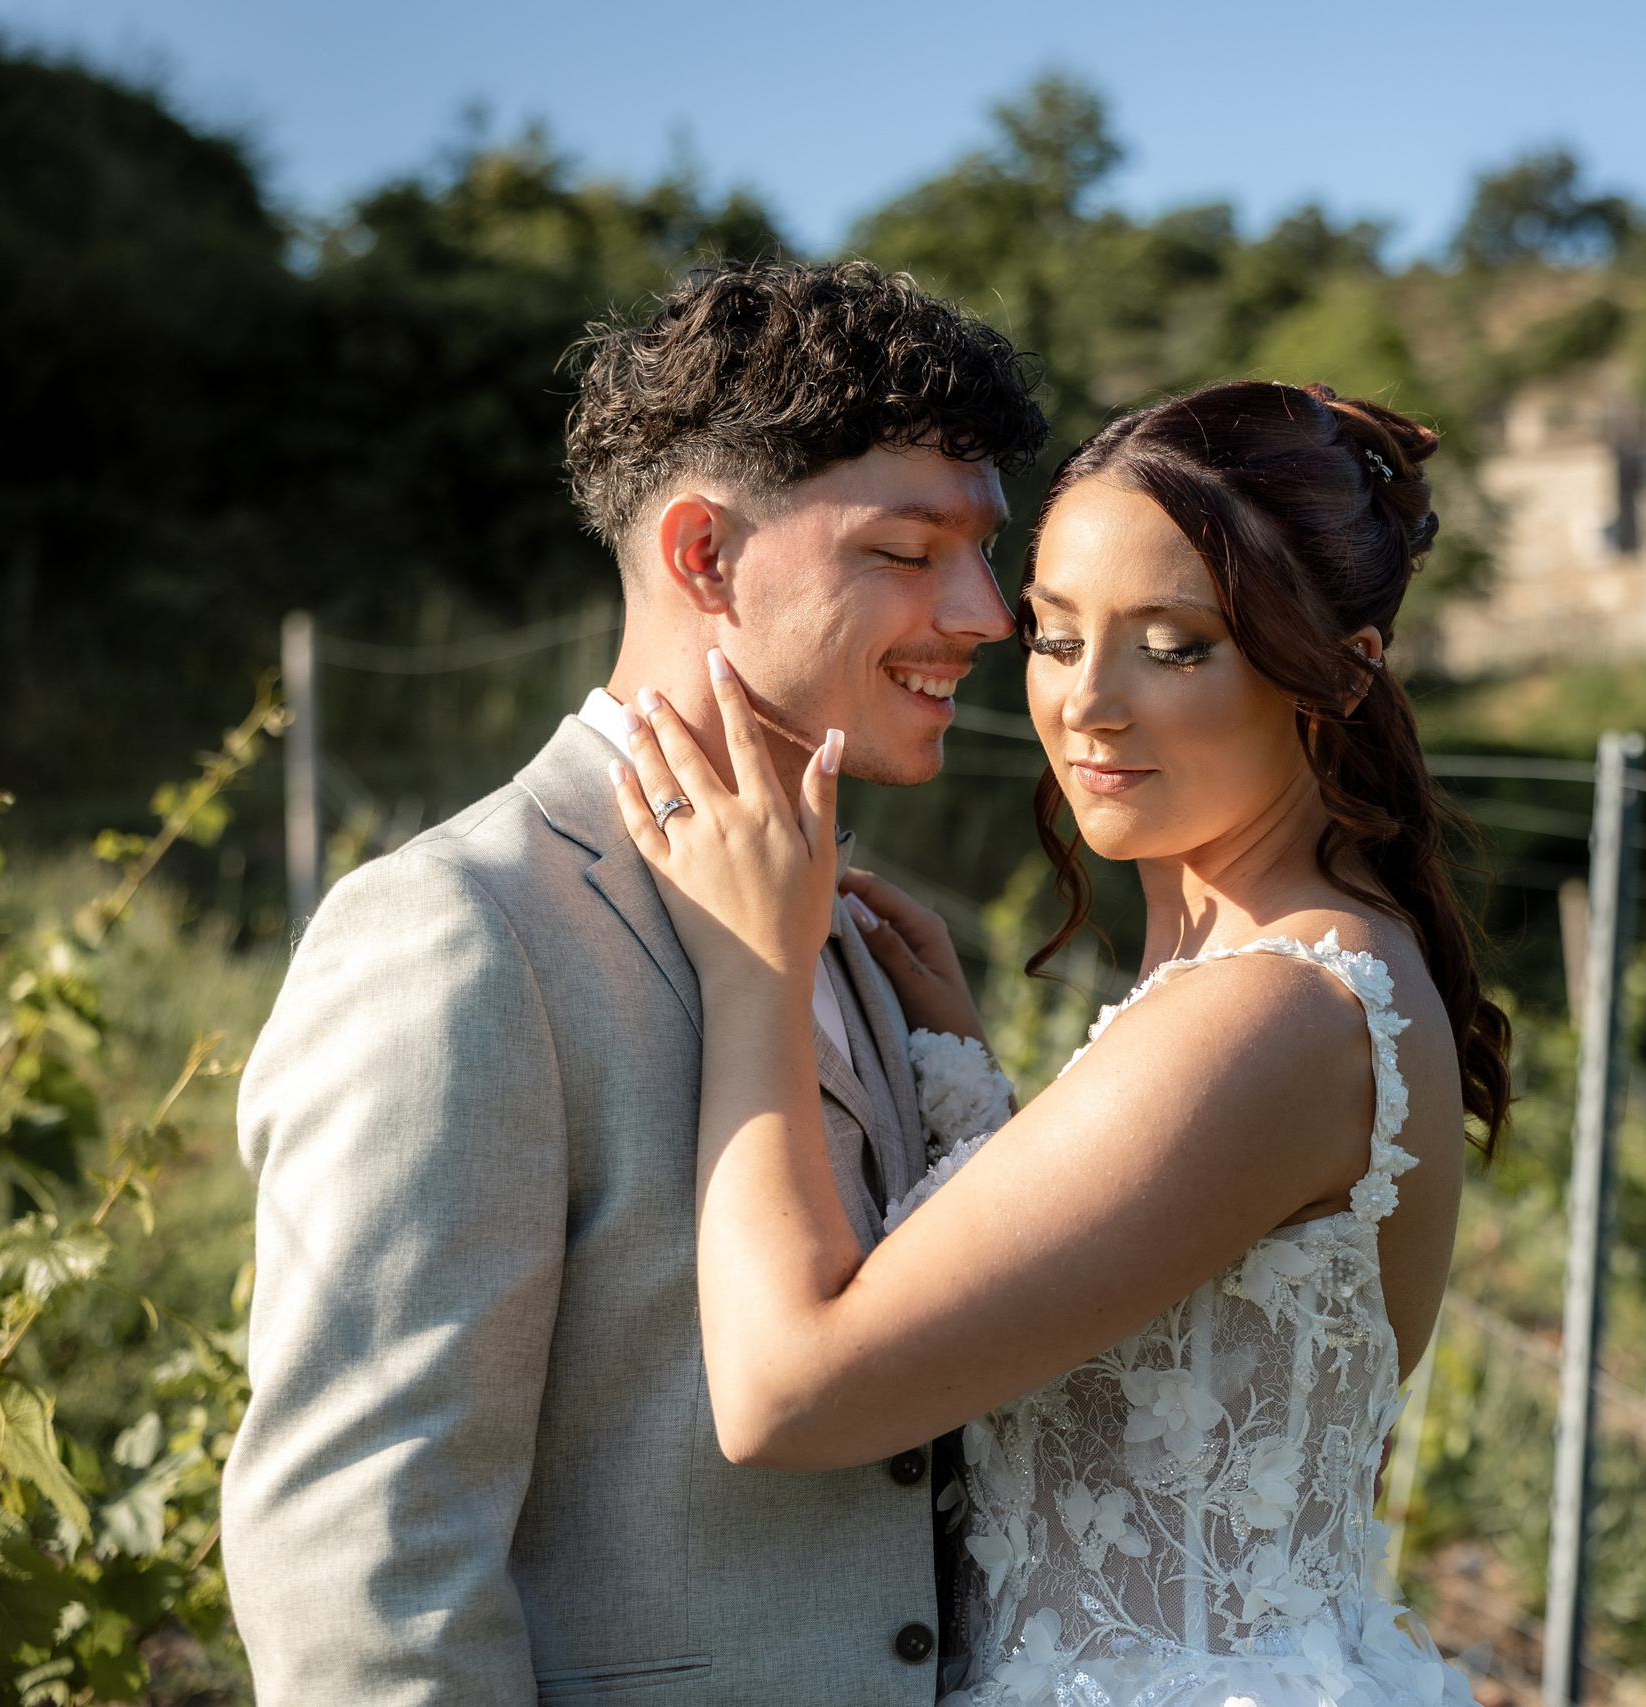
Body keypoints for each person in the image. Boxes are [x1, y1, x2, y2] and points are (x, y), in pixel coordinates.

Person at [608, 379, 1512, 1707]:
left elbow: (786, 1395)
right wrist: (976, 1096)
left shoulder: (1277, 1007)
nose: (1089, 705)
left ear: (1345, 665)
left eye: (1177, 645)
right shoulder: (1259, 975)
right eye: (1054, 635)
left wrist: (759, 972)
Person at [224, 260, 1050, 1704]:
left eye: (986, 552)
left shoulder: (858, 927)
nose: (986, 613)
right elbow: (363, 1561)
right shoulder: (456, 931)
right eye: (912, 551)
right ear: (703, 556)